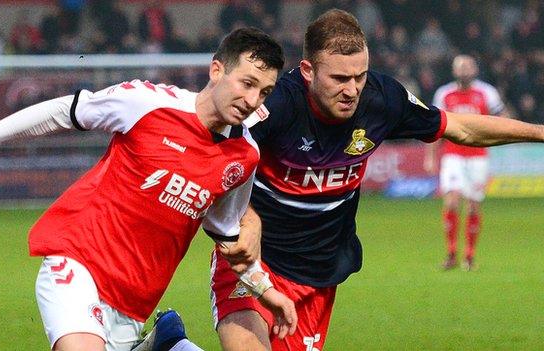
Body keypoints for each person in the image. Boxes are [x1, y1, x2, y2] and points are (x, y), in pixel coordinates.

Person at [0, 28, 297, 351]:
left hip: (133, 301)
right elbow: (65, 111)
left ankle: (161, 344)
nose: (252, 101)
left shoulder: (244, 157)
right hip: (77, 261)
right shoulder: (149, 103)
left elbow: (227, 235)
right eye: (246, 83)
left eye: (264, 92)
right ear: (217, 70)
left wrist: (266, 291)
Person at [209, 9, 544, 351]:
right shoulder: (276, 103)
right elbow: (213, 157)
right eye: (339, 78)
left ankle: (171, 341)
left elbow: (462, 128)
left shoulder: (382, 100)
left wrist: (540, 132)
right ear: (308, 71)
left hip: (320, 275)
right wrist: (246, 218)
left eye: (360, 76)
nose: (351, 90)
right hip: (253, 263)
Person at [426, 55, 507, 271]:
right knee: (451, 201)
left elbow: (502, 119)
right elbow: (434, 127)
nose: (464, 70)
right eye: (460, 67)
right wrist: (431, 156)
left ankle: (469, 256)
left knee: (473, 205)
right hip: (452, 155)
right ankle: (452, 253)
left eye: (467, 66)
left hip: (478, 156)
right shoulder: (444, 93)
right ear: (454, 71)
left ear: (475, 69)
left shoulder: (487, 92)